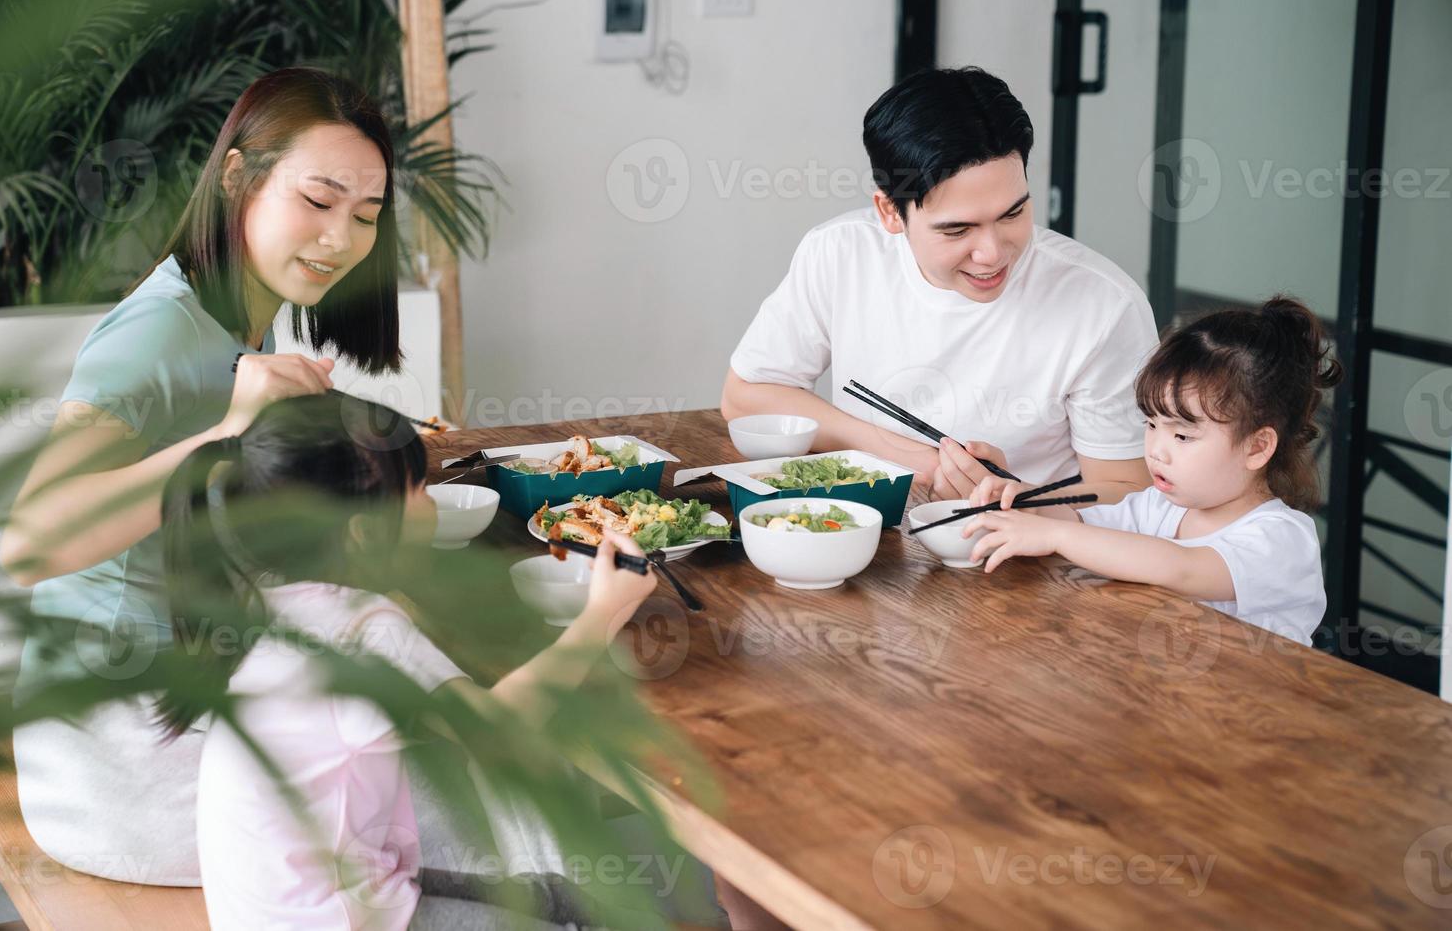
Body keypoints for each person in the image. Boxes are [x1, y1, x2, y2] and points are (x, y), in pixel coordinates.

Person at [3, 66, 403, 884]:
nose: (341, 239)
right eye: (319, 202)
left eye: (366, 216)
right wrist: (229, 430)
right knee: (465, 790)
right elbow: (31, 544)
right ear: (236, 176)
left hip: (163, 716)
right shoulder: (153, 335)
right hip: (118, 761)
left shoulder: (237, 312)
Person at [156, 394, 657, 929]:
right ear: (363, 532)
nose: (432, 501)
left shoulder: (266, 599)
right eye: (416, 489)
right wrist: (604, 612)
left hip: (282, 910)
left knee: (560, 899)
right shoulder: (364, 628)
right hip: (348, 918)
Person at [721, 66, 1157, 506]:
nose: (992, 253)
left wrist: (1021, 499)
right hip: (870, 531)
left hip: (1030, 558)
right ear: (890, 212)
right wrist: (919, 460)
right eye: (957, 230)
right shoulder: (840, 254)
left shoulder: (1103, 304)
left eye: (1012, 214)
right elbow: (746, 397)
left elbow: (1128, 491)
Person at [962, 296, 1342, 646]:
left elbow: (1180, 568)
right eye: (1151, 424)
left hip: (1257, 706)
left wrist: (1054, 535)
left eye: (1182, 435)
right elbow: (1082, 524)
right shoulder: (1161, 507)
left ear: (1257, 447)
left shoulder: (1282, 541)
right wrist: (1025, 497)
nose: (1157, 450)